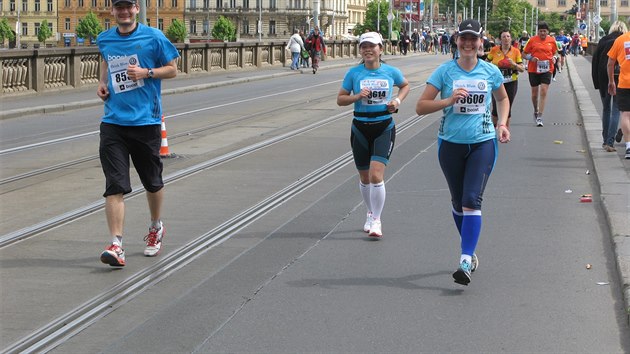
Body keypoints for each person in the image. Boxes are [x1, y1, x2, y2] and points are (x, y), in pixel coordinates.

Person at [415, 19, 511, 286]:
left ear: (481, 42)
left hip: (483, 142)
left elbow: (502, 98)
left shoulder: (490, 71)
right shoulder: (444, 72)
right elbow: (421, 107)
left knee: (471, 200)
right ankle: (470, 247)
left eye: (473, 39)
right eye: (463, 39)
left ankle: (465, 259)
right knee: (458, 203)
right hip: (450, 145)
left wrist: (501, 123)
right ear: (456, 41)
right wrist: (448, 100)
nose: (468, 44)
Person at [96, 0, 179, 267]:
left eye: (128, 7)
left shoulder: (154, 37)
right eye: (118, 7)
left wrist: (147, 72)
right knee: (114, 184)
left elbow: (173, 68)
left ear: (135, 9)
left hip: (146, 121)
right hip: (113, 122)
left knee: (152, 181)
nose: (123, 12)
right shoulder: (104, 39)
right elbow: (106, 63)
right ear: (113, 11)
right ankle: (116, 244)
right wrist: (101, 84)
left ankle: (156, 227)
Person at [336, 31, 410, 238]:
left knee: (376, 175)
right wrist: (357, 96)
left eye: (372, 46)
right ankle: (369, 212)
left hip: (383, 127)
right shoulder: (354, 73)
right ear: (360, 50)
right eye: (364, 46)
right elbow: (340, 99)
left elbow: (405, 85)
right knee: (364, 177)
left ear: (380, 49)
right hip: (360, 128)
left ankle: (377, 219)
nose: (368, 50)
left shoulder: (390, 71)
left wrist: (397, 102)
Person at [593, 21, 627, 152]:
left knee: (606, 109)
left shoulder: (603, 41)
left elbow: (595, 62)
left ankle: (604, 140)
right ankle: (610, 142)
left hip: (603, 78)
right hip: (620, 78)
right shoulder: (623, 41)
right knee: (616, 110)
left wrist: (597, 83)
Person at [486, 29, 525, 128]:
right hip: (497, 82)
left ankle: (505, 129)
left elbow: (522, 69)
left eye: (508, 36)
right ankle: (493, 128)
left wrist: (514, 64)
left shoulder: (516, 51)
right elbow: (486, 63)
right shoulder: (494, 50)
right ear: (500, 39)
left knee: (508, 106)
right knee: (495, 107)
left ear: (511, 39)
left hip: (511, 81)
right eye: (503, 37)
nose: (506, 39)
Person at [522, 21, 557, 127]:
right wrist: (531, 58)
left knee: (543, 91)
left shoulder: (552, 41)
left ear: (547, 32)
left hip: (547, 69)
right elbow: (523, 54)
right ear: (538, 32)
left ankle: (540, 116)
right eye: (541, 31)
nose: (542, 33)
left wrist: (555, 58)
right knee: (534, 94)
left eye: (544, 31)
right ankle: (535, 110)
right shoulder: (532, 40)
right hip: (533, 69)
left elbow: (555, 52)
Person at [607, 20, 630, 159]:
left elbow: (610, 63)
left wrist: (611, 81)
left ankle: (629, 148)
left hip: (624, 82)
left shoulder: (620, 40)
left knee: (626, 115)